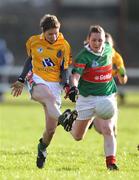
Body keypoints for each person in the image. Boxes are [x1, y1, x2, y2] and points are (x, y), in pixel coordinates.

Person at [11, 14, 77, 169]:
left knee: (50, 130)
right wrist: (21, 79)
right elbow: (30, 60)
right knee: (48, 98)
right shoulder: (33, 41)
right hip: (37, 79)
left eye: (56, 32)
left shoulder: (64, 45)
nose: (53, 36)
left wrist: (67, 86)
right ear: (43, 32)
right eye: (50, 34)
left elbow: (64, 69)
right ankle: (64, 119)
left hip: (55, 84)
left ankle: (42, 148)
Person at [58, 25, 123, 170]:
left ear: (104, 40)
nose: (97, 43)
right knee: (78, 136)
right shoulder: (83, 56)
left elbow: (116, 58)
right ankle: (66, 118)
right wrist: (73, 88)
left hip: (107, 96)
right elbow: (75, 76)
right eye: (94, 40)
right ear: (88, 40)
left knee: (108, 129)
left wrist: (121, 69)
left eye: (100, 40)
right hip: (87, 99)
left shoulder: (107, 48)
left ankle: (111, 163)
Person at [88, 32, 128, 130]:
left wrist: (121, 74)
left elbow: (123, 80)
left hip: (108, 91)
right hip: (91, 93)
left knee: (111, 128)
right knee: (96, 129)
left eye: (108, 44)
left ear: (112, 45)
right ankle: (90, 119)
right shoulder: (91, 55)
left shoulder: (116, 57)